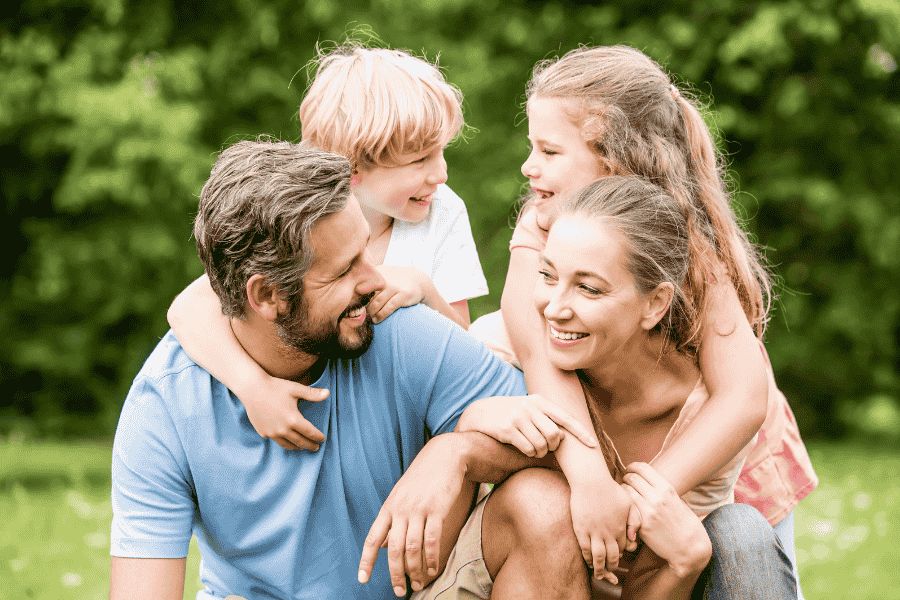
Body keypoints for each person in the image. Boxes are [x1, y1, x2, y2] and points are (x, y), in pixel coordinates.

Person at [109, 139, 602, 600]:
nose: (374, 278)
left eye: (367, 251)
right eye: (345, 270)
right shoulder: (167, 404)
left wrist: (458, 453)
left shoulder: (399, 329)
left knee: (543, 504)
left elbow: (569, 444)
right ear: (266, 296)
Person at [467, 45, 816, 596]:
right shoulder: (543, 223)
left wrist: (638, 499)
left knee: (746, 549)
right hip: (619, 443)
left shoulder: (686, 238)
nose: (528, 167)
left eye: (549, 150)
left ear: (609, 153)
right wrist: (592, 484)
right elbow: (535, 346)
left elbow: (745, 398)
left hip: (720, 444)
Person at [165, 43, 488, 451]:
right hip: (321, 422)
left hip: (405, 434)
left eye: (442, 152)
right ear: (352, 168)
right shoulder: (301, 216)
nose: (440, 173)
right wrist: (254, 388)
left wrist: (424, 288)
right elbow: (189, 308)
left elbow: (465, 350)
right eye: (420, 160)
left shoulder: (441, 211)